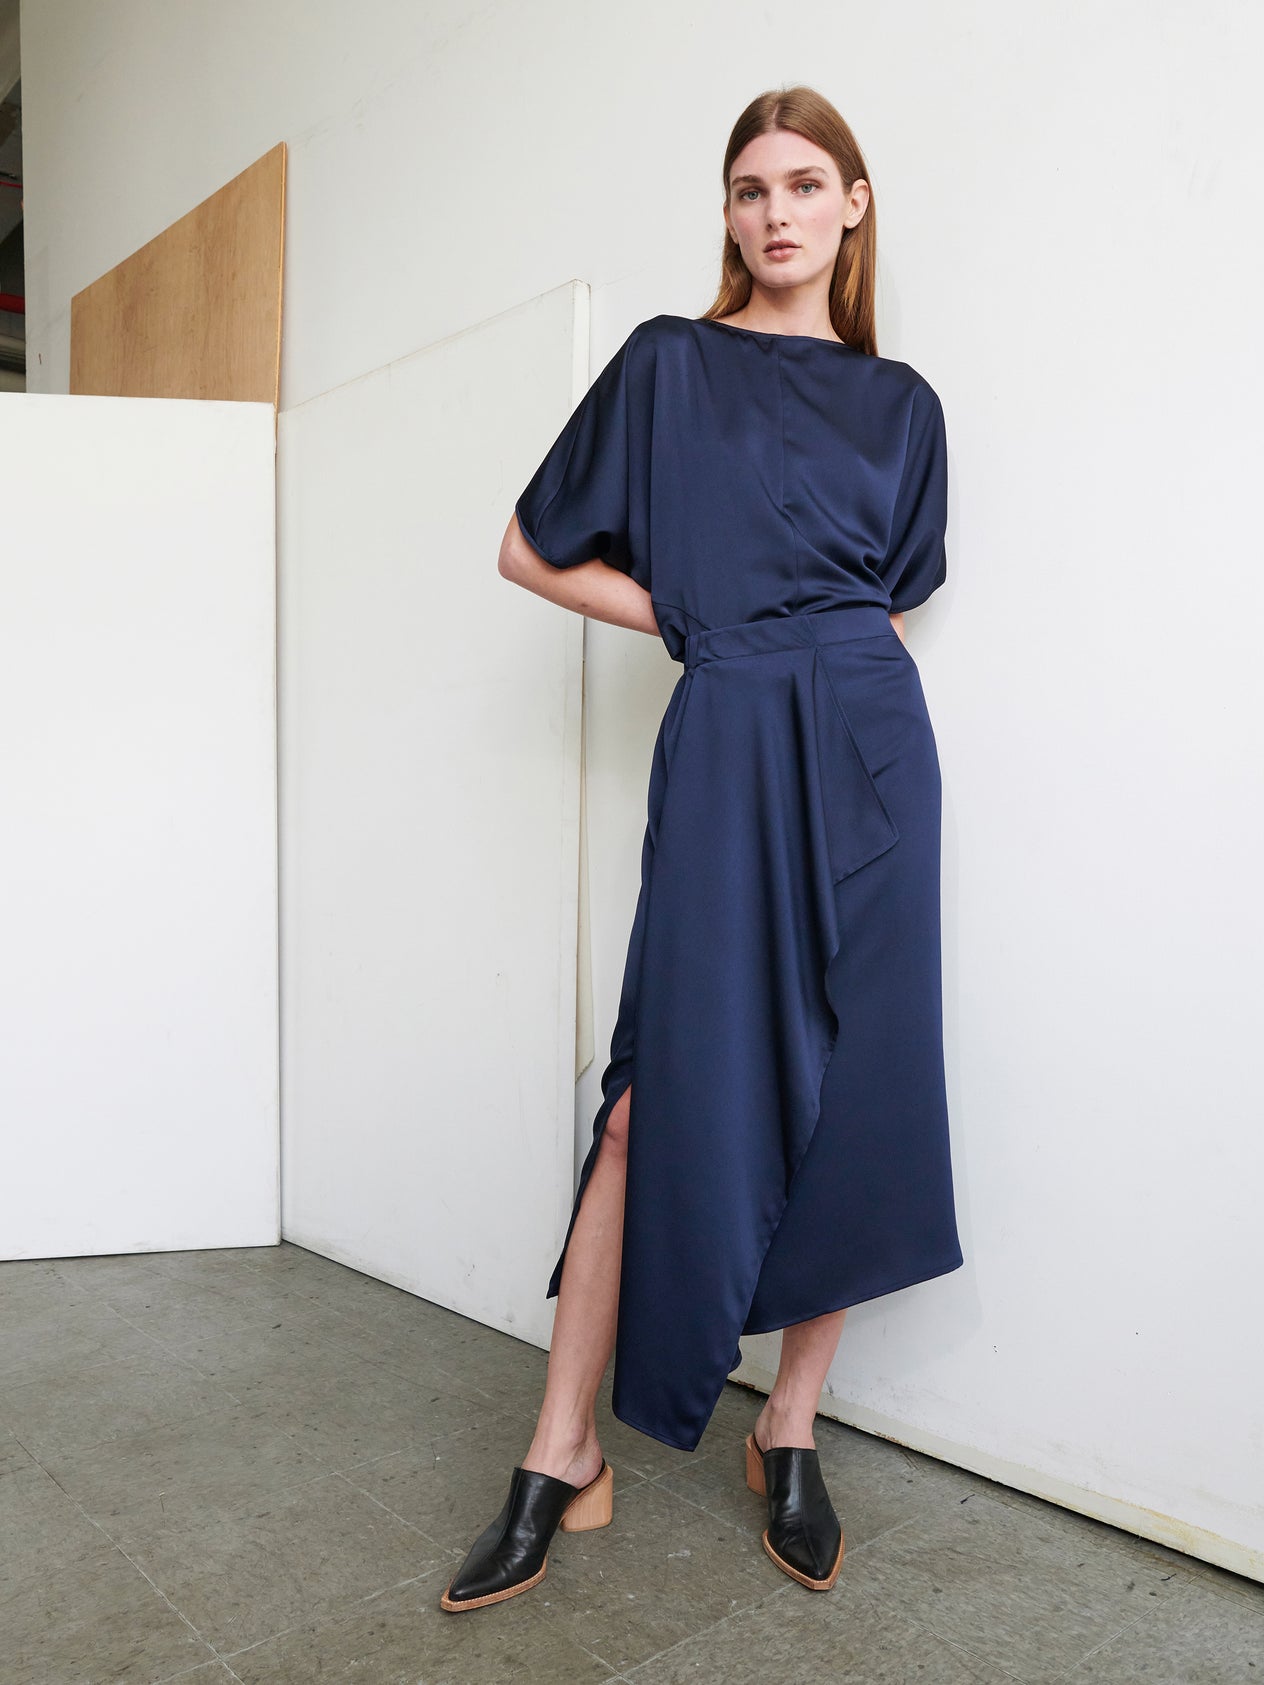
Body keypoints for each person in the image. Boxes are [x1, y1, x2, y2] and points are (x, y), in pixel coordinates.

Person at [440, 83, 964, 1613]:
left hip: (870, 749)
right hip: (728, 735)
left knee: (856, 1099)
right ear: (729, 212)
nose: (777, 211)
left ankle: (789, 1428)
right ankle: (561, 1449)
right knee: (643, 1108)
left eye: (807, 183)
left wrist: (813, 664)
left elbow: (888, 600)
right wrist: (689, 620)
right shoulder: (671, 365)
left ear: (853, 205)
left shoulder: (905, 403)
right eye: (750, 188)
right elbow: (528, 547)